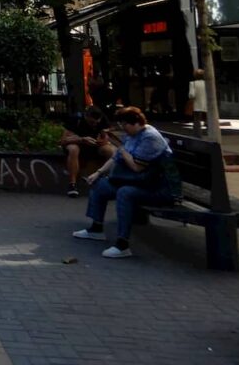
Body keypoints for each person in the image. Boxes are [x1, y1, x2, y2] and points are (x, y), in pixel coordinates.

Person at [72, 106, 178, 259]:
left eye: (125, 126)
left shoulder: (150, 138)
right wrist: (98, 172)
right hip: (140, 182)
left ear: (135, 123)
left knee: (125, 193)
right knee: (100, 185)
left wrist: (123, 152)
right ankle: (96, 229)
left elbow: (136, 166)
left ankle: (122, 244)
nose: (124, 130)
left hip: (157, 187)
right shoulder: (133, 135)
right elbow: (116, 158)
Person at [60, 106, 114, 198]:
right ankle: (72, 184)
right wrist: (82, 140)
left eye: (97, 122)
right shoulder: (76, 119)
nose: (94, 124)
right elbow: (64, 140)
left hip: (94, 146)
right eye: (92, 122)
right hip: (77, 143)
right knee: (74, 149)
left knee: (110, 150)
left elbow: (108, 133)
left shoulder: (102, 119)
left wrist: (103, 139)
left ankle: (109, 181)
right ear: (86, 116)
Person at [189, 68, 207, 136]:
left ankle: (197, 133)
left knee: (197, 120)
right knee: (207, 119)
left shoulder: (193, 83)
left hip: (197, 104)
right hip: (206, 104)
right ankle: (209, 132)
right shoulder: (207, 84)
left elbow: (192, 94)